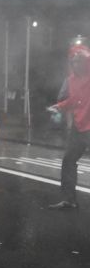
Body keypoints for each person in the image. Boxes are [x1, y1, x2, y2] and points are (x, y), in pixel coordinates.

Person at [46, 43, 90, 209]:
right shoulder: (71, 80)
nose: (76, 64)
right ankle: (69, 199)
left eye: (79, 61)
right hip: (79, 128)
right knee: (68, 161)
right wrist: (59, 106)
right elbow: (74, 100)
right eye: (73, 61)